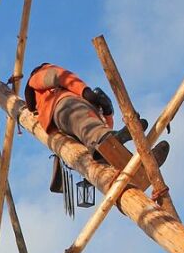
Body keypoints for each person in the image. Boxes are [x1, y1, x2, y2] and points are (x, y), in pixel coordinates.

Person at [24, 64, 170, 194]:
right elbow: (60, 76)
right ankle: (114, 147)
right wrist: (84, 91)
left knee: (104, 149)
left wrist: (106, 111)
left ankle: (142, 167)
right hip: (65, 106)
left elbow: (99, 126)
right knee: (91, 128)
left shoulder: (45, 107)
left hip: (76, 129)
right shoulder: (39, 76)